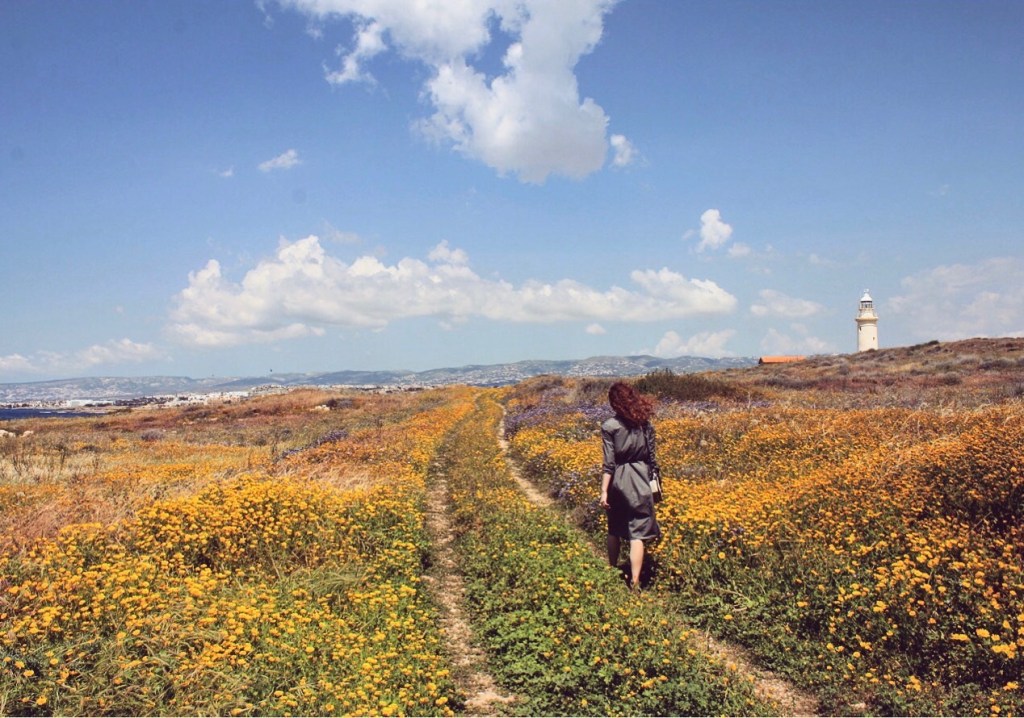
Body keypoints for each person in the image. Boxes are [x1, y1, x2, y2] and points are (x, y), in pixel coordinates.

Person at [600, 381, 661, 590]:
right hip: (642, 477)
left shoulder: (610, 426)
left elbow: (609, 463)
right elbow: (653, 458)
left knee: (614, 527)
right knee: (638, 533)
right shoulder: (645, 424)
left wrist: (603, 491)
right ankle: (635, 581)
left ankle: (611, 568)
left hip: (620, 478)